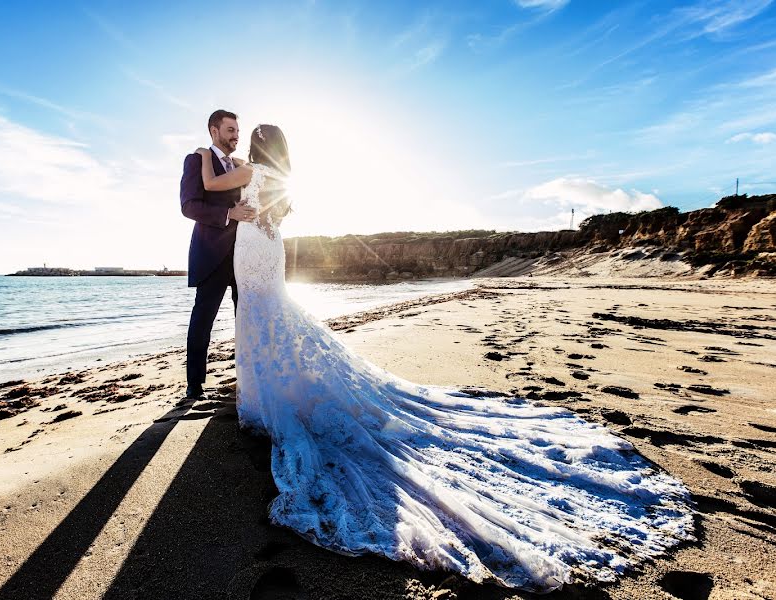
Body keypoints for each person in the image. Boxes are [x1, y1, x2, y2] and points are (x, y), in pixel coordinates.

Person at [195, 125, 693, 592]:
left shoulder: (248, 172)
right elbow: (254, 207)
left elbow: (212, 180)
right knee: (271, 314)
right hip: (271, 248)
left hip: (251, 251)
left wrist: (202, 156)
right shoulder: (281, 179)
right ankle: (273, 391)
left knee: (257, 318)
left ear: (257, 147)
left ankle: (264, 399)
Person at [179, 109, 257, 399]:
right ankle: (194, 384)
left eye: (238, 130)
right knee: (203, 320)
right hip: (211, 254)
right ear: (214, 131)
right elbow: (189, 205)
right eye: (230, 130)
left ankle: (247, 378)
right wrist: (228, 213)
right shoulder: (197, 160)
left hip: (243, 255)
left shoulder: (238, 164)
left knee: (245, 318)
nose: (236, 135)